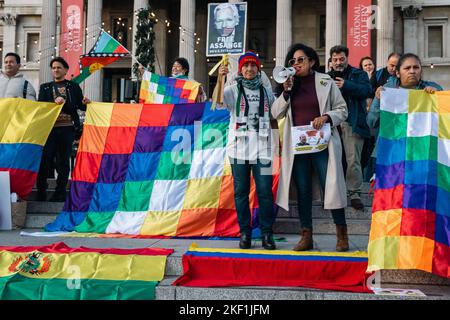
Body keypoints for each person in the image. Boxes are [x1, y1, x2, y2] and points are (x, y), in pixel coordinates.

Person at [272, 43, 349, 252]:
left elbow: (343, 110)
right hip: (299, 147)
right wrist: (286, 92)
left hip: (324, 145)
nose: (296, 64)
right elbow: (275, 113)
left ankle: (342, 233)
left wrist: (326, 117)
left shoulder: (326, 82)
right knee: (303, 191)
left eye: (300, 60)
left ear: (312, 61)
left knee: (330, 186)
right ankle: (306, 235)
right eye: (293, 61)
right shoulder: (288, 85)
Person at [220, 52, 277, 250]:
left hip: (263, 148)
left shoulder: (267, 90)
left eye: (253, 66)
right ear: (241, 69)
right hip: (238, 149)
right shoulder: (232, 88)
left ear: (258, 68)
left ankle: (267, 234)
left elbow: (277, 111)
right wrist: (219, 78)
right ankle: (244, 232)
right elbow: (217, 100)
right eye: (246, 66)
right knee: (241, 192)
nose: (250, 69)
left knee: (265, 193)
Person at [367, 53, 443, 168]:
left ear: (421, 71)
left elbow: (443, 122)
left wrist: (437, 97)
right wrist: (378, 101)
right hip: (391, 152)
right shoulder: (387, 91)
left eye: (416, 67)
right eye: (407, 68)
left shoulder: (433, 89)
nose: (412, 71)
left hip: (420, 153)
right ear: (398, 73)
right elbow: (371, 122)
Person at [36, 57, 90, 202]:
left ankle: (60, 191)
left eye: (59, 67)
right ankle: (41, 189)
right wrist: (54, 103)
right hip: (49, 129)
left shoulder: (73, 87)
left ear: (66, 70)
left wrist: (87, 103)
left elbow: (80, 106)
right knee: (45, 159)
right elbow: (41, 107)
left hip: (67, 129)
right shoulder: (45, 87)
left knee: (63, 161)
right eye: (53, 68)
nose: (56, 70)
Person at [329, 45, 372, 211]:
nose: (338, 62)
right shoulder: (325, 77)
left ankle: (354, 193)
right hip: (331, 123)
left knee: (353, 159)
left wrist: (346, 85)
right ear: (331, 61)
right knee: (333, 159)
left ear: (347, 58)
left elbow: (367, 91)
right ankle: (335, 192)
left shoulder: (358, 74)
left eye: (341, 59)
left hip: (352, 122)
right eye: (335, 60)